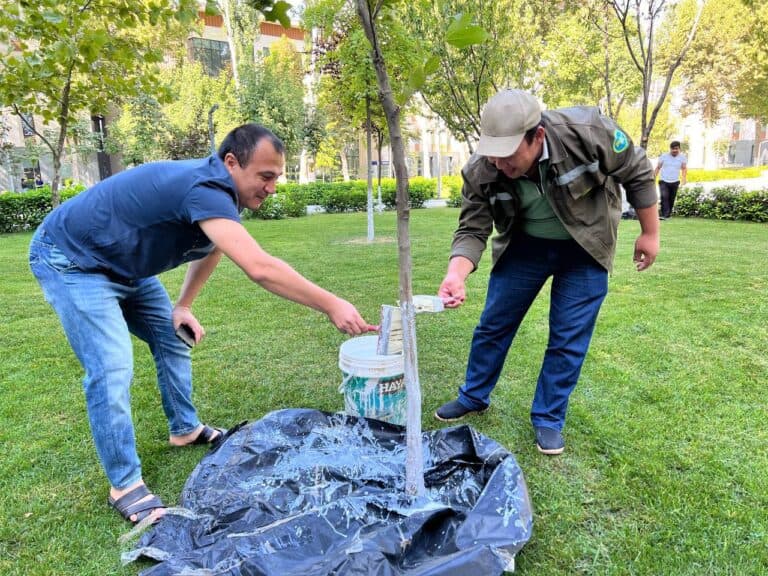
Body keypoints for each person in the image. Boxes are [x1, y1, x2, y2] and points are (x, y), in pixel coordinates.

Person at [29, 124, 375, 525]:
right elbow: (259, 268)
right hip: (73, 259)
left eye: (277, 177)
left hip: (126, 266)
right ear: (232, 162)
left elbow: (211, 247)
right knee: (111, 368)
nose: (273, 187)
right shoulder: (205, 187)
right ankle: (124, 484)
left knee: (173, 339)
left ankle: (185, 429)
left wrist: (184, 305)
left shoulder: (223, 195)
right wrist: (331, 304)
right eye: (266, 176)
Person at [435, 89, 659, 455]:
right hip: (525, 246)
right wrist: (456, 274)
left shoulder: (586, 131)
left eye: (508, 156)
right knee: (494, 323)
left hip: (586, 245)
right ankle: (473, 395)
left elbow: (636, 170)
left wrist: (650, 233)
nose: (499, 164)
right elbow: (472, 229)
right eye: (492, 153)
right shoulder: (482, 169)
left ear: (537, 136)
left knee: (568, 337)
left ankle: (548, 419)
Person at [654, 140, 687, 219]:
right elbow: (658, 167)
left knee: (671, 198)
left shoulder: (682, 157)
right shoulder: (664, 156)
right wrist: (653, 177)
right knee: (664, 197)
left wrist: (684, 178)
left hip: (675, 181)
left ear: (679, 149)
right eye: (673, 149)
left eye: (676, 149)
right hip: (663, 180)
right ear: (670, 149)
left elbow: (684, 168)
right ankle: (664, 215)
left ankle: (667, 214)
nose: (674, 150)